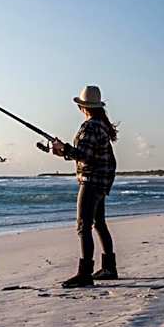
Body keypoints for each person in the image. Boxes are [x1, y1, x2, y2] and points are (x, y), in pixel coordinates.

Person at [51, 85, 118, 287]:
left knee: (83, 226)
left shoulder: (90, 126)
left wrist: (65, 150)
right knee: (98, 223)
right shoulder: (100, 126)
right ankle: (109, 268)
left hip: (91, 181)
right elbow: (88, 154)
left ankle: (85, 274)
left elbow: (85, 156)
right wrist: (64, 151)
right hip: (102, 181)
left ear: (83, 107)